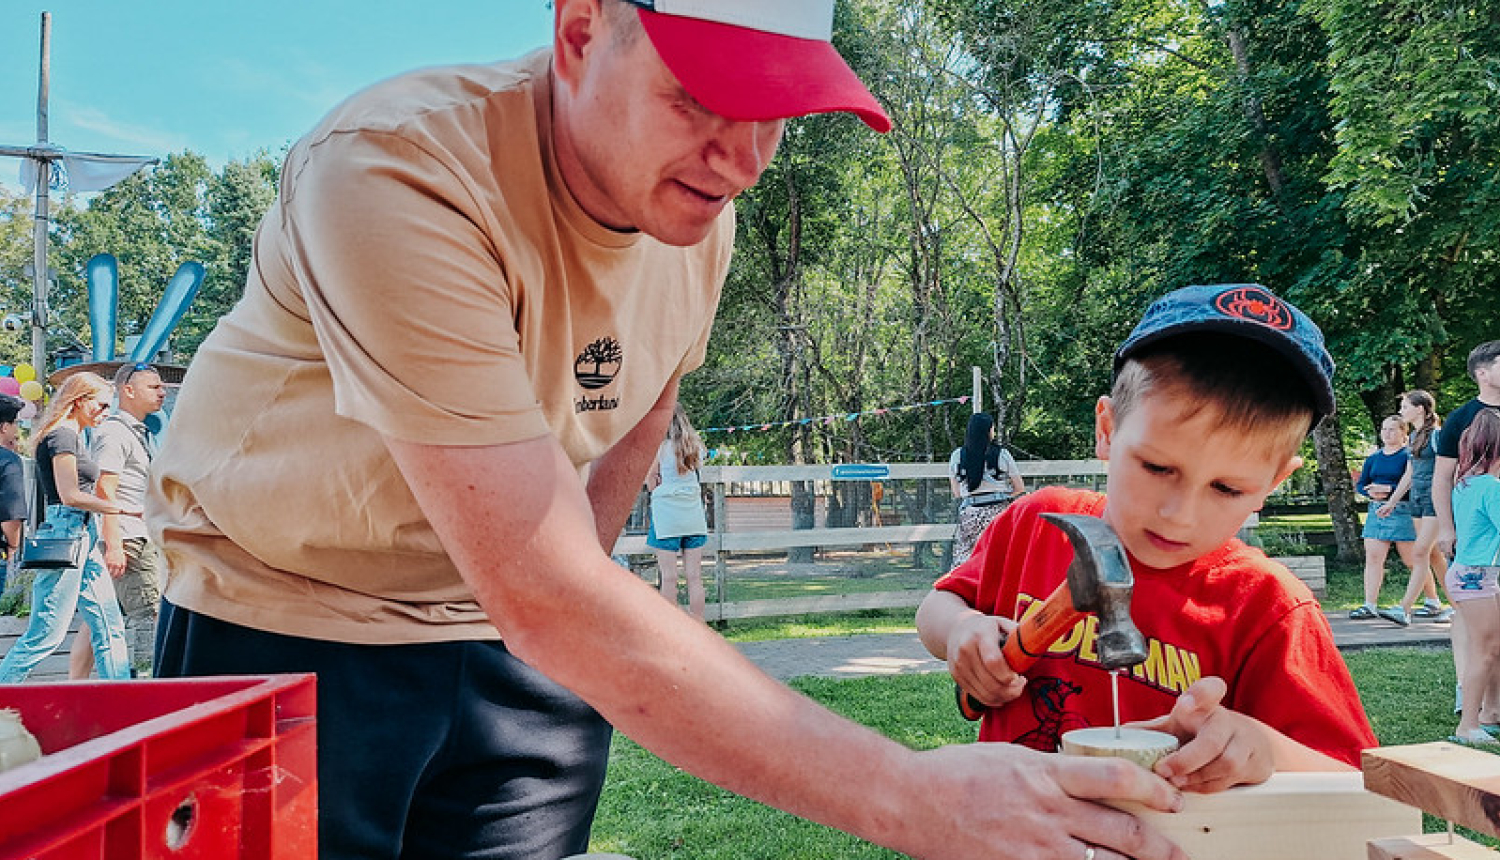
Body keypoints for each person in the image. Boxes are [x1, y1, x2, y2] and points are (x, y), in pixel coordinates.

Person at [143, 3, 1189, 859]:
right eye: (698, 97)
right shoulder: (394, 169)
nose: (739, 158)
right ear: (580, 28)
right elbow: (540, 582)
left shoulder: (696, 214)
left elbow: (632, 427)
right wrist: (908, 792)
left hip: (518, 646)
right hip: (291, 624)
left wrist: (566, 635)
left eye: (775, 110)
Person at [917, 284, 1378, 793]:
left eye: (1226, 488)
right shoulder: (1036, 520)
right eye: (1158, 467)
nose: (1179, 515)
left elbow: (1357, 778)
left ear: (1271, 485)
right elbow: (939, 604)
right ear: (1108, 431)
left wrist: (1264, 749)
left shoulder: (1269, 608)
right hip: (1003, 828)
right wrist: (961, 630)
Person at [0, 373, 135, 683]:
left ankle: (121, 699)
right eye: (101, 405)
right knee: (46, 634)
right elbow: (69, 495)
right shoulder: (61, 436)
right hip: (66, 533)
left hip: (82, 534)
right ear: (79, 401)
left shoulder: (73, 436)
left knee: (109, 625)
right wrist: (121, 507)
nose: (105, 412)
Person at [67, 362, 166, 678]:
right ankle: (149, 685)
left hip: (130, 534)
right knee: (150, 613)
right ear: (129, 390)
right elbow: (104, 489)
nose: (162, 392)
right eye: (154, 386)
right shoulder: (114, 432)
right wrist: (114, 544)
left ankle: (73, 688)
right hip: (129, 537)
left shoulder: (137, 431)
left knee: (102, 617)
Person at [1433, 341, 1500, 716]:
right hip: (1477, 546)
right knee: (1480, 627)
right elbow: (1443, 478)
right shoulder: (1462, 419)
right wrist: (1446, 528)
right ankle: (1469, 697)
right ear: (1483, 373)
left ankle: (1492, 708)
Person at [1374, 390, 1452, 626]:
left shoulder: (1438, 436)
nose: (1401, 411)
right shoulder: (1416, 436)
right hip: (1417, 500)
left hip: (1435, 500)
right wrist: (1392, 501)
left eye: (1406, 406)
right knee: (1435, 555)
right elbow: (1410, 473)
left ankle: (1403, 608)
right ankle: (1460, 606)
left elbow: (1449, 469)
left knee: (1419, 552)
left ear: (1420, 409)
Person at [1447, 407, 1500, 743]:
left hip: (1471, 574)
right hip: (1476, 577)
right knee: (1485, 649)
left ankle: (1487, 716)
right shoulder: (1491, 487)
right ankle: (1468, 725)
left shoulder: (1465, 484)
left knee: (1490, 647)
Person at [1347, 415, 1420, 620]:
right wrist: (1370, 492)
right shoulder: (1373, 458)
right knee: (1373, 558)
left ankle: (1432, 600)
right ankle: (1369, 605)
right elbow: (1362, 483)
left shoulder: (1408, 456)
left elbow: (1412, 483)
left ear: (1404, 433)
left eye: (1393, 430)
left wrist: (1389, 490)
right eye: (1384, 429)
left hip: (1402, 510)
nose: (1387, 433)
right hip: (1376, 510)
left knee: (1413, 560)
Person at [648, 403, 709, 621]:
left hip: (667, 517)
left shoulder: (659, 447)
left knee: (669, 577)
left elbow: (652, 481)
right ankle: (699, 624)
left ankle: (671, 627)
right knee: (694, 577)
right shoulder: (695, 447)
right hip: (692, 515)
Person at [948, 412, 1026, 566]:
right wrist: (1004, 495)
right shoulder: (1002, 454)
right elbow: (1019, 488)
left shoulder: (958, 456)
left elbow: (956, 493)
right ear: (988, 431)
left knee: (964, 559)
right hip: (998, 512)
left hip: (970, 512)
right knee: (1001, 557)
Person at [0, 395, 28, 596]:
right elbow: (11, 513)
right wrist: (13, 546)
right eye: (15, 423)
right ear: (4, 427)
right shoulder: (8, 461)